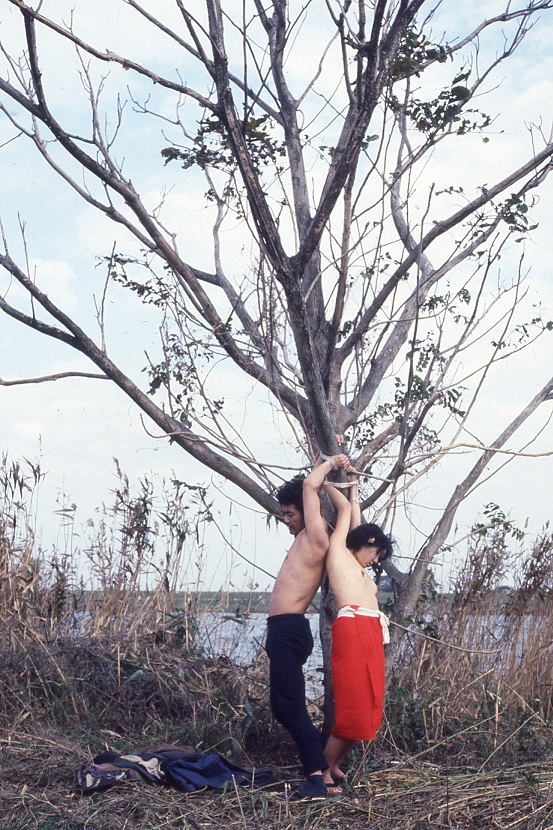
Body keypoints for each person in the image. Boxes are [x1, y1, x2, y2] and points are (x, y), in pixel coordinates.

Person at [266, 452, 349, 801]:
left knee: (289, 707)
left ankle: (316, 777)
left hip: (289, 630)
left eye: (289, 513)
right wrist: (328, 471)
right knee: (283, 705)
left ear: (305, 508)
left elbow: (309, 484)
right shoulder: (301, 538)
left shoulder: (316, 537)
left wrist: (332, 461)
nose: (286, 520)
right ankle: (327, 772)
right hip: (282, 631)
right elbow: (324, 495)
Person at [321, 472, 393, 790]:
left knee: (368, 708)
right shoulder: (339, 556)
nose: (376, 560)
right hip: (352, 630)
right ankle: (322, 770)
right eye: (376, 553)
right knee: (353, 708)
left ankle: (334, 765)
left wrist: (353, 484)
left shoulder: (359, 566)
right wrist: (326, 475)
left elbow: (357, 516)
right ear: (368, 544)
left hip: (371, 632)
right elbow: (348, 515)